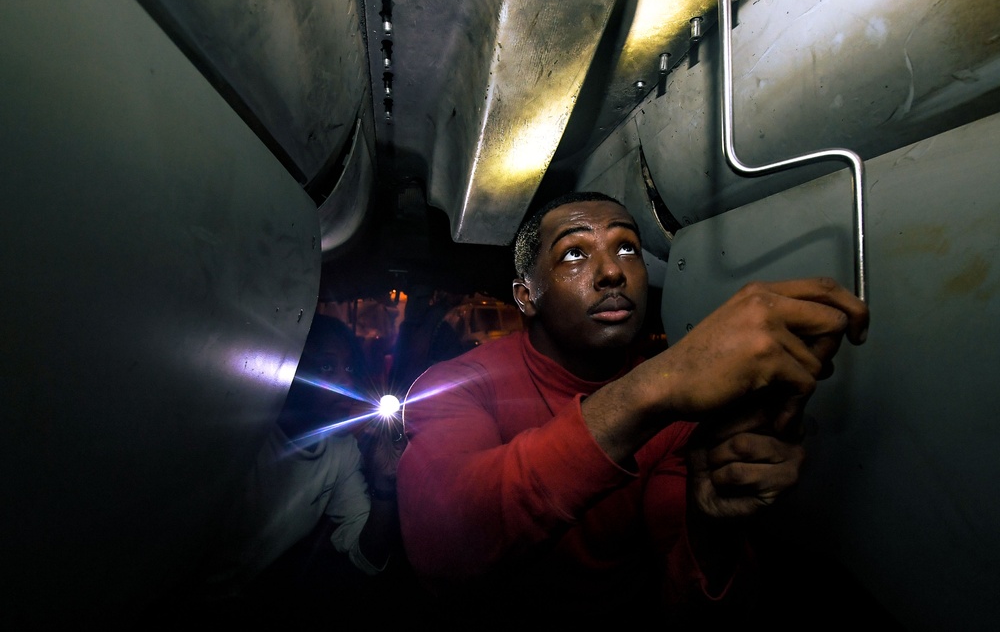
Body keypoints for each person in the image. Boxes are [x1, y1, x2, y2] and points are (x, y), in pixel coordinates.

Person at [395, 191, 870, 625]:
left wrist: (713, 526)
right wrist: (656, 385)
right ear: (526, 296)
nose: (612, 272)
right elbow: (444, 547)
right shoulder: (457, 384)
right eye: (574, 253)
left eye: (627, 248)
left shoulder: (680, 407)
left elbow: (695, 606)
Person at [189, 313, 406, 623]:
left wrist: (386, 485)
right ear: (290, 369)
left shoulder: (342, 450)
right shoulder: (242, 440)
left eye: (350, 368)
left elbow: (367, 559)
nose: (346, 381)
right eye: (327, 367)